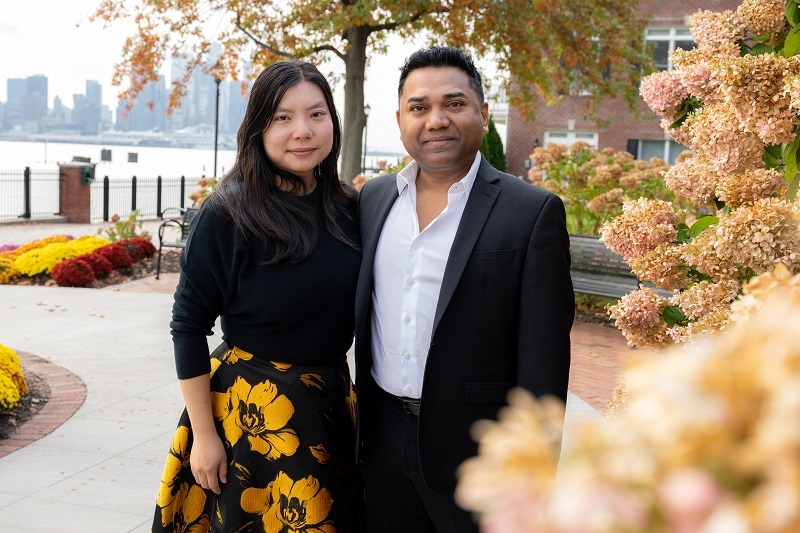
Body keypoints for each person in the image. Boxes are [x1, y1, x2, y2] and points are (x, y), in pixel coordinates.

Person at [354, 47, 574, 532]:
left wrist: (534, 479)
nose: (436, 120)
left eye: (454, 103)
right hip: (381, 443)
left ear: (483, 112)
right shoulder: (373, 199)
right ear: (399, 119)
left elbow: (544, 361)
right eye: (419, 107)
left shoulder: (531, 212)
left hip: (480, 454)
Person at [152, 60, 362, 533]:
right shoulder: (228, 214)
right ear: (258, 128)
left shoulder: (350, 208)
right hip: (249, 415)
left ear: (333, 121)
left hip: (330, 405)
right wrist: (204, 436)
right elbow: (188, 325)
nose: (302, 131)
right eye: (282, 118)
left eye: (317, 114)